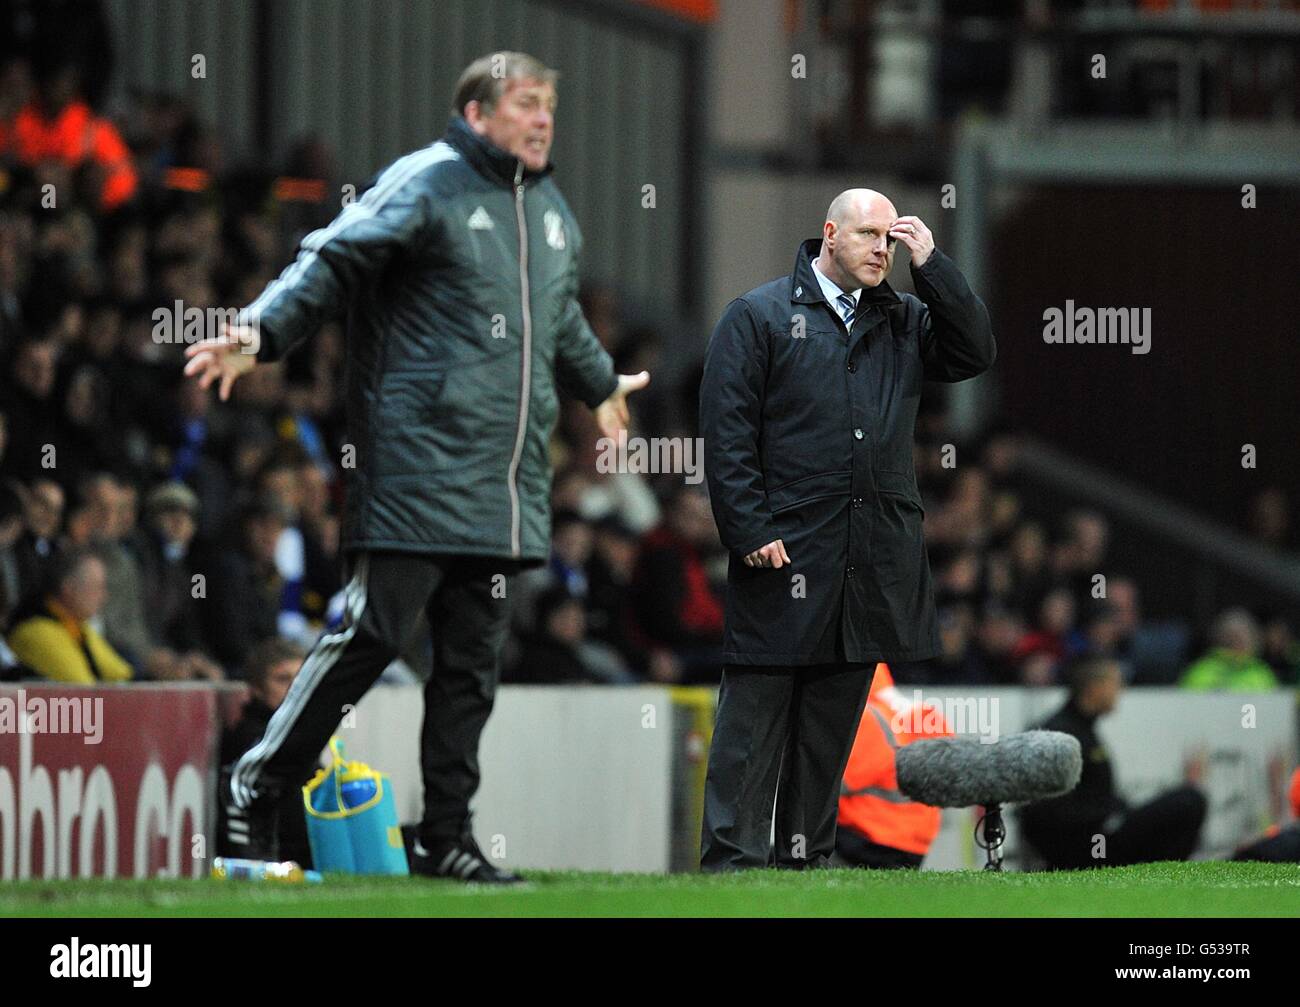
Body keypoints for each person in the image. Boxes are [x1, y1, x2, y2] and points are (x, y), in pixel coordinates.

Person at [184, 52, 647, 883]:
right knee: (372, 633)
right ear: (476, 115)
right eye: (525, 105)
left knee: (470, 668)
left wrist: (601, 383)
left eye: (549, 106)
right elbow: (330, 256)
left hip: (503, 488)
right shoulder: (426, 182)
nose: (543, 120)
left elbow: (561, 320)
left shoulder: (551, 213)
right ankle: (257, 782)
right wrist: (259, 331)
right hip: (414, 468)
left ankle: (446, 834)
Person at [698, 188, 995, 869]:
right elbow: (727, 434)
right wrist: (747, 529)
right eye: (868, 235)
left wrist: (936, 267)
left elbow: (975, 351)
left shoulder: (905, 318)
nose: (880, 249)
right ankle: (731, 869)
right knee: (752, 731)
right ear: (829, 234)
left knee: (826, 736)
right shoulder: (759, 315)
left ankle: (806, 865)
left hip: (869, 564)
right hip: (783, 556)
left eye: (890, 239)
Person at [1017, 654, 1207, 870]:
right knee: (1189, 801)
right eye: (1115, 683)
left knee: (1184, 801)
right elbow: (1045, 811)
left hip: (1097, 837)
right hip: (1087, 848)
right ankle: (1162, 881)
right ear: (1094, 687)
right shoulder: (1062, 734)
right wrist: (1112, 814)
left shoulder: (1079, 728)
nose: (1120, 690)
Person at [836, 663, 953, 869]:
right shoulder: (920, 712)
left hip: (865, 842)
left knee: (784, 858)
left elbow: (824, 785)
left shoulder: (863, 716)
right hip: (913, 846)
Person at [7, 546, 133, 683]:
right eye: (97, 587)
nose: (104, 596)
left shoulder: (77, 626)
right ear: (69, 589)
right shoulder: (37, 631)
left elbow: (122, 673)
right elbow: (81, 687)